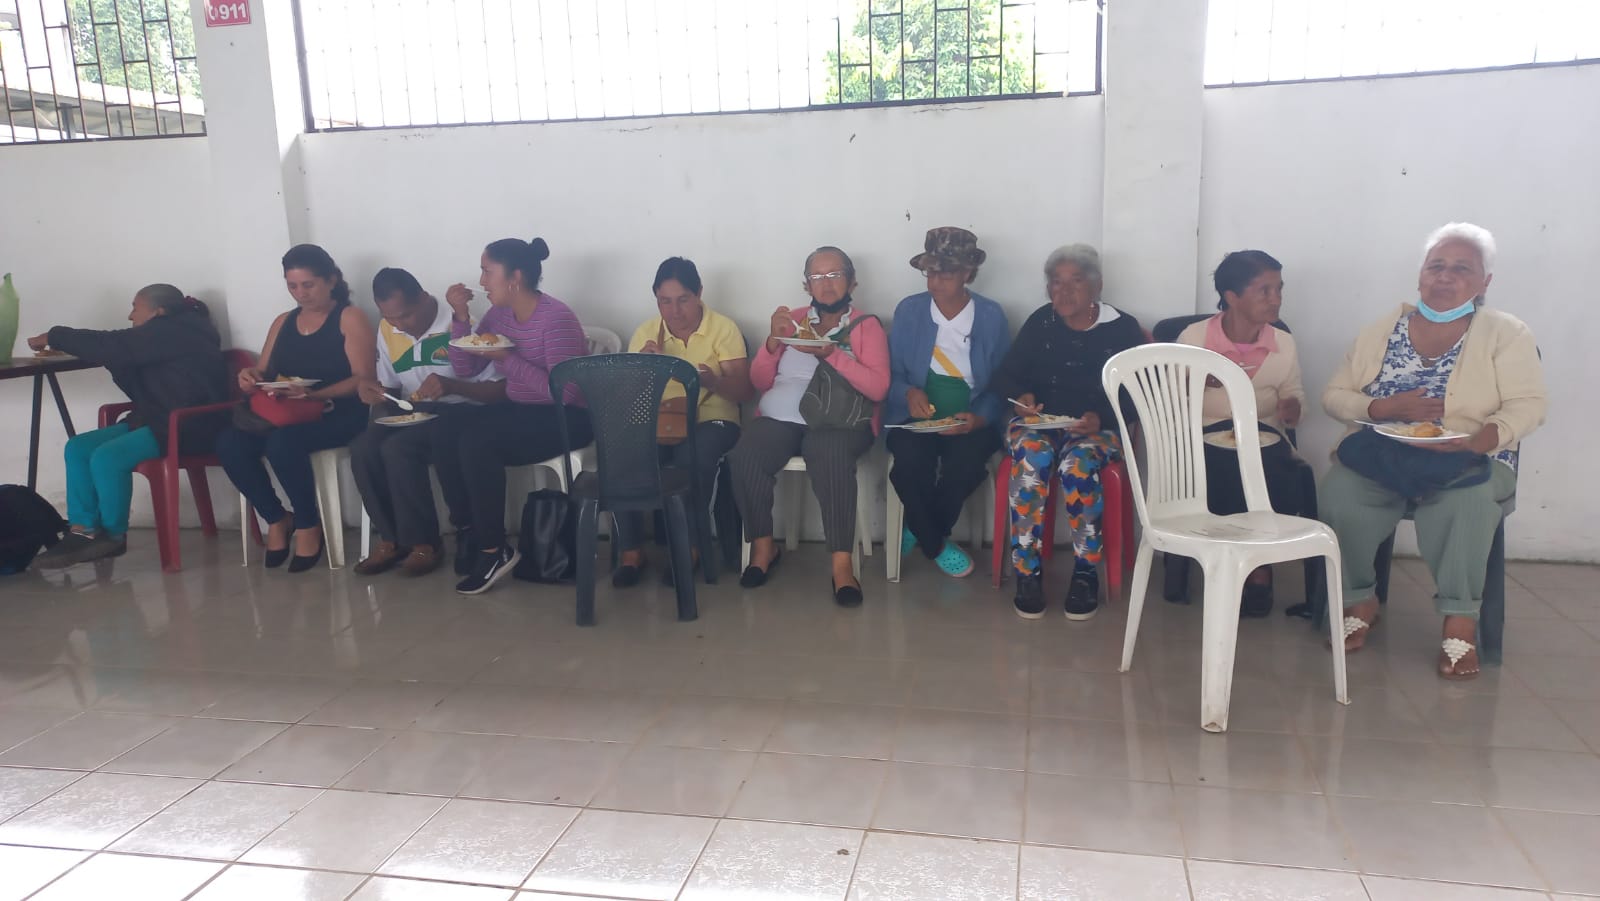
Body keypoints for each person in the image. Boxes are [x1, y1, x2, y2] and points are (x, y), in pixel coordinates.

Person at [1320, 222, 1546, 680]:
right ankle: (1359, 599)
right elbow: (1334, 396)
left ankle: (1460, 619)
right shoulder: (1380, 331)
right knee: (1341, 492)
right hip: (1385, 454)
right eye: (1435, 266)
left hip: (1475, 457)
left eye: (1462, 268)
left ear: (1484, 282)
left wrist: (1483, 438)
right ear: (1420, 276)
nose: (1445, 276)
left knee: (1467, 504)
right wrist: (1381, 408)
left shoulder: (1507, 333)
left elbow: (1529, 404)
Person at [989, 244, 1144, 621]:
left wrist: (1101, 418)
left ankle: (1086, 573)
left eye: (1075, 281)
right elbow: (1005, 377)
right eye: (1056, 283)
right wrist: (1020, 399)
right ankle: (1027, 573)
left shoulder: (1122, 328)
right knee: (1034, 457)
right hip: (1038, 424)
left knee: (1078, 465)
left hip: (1095, 430)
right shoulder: (1041, 322)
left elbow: (1140, 393)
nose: (1063, 291)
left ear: (1097, 285)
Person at [729, 245, 890, 607]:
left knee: (828, 452)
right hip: (780, 419)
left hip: (839, 422)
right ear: (806, 285)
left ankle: (841, 565)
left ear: (852, 282)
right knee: (746, 454)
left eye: (835, 275)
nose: (826, 284)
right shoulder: (794, 320)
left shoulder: (865, 326)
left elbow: (879, 388)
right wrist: (772, 342)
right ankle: (763, 548)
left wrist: (831, 355)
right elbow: (758, 381)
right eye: (817, 277)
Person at [27, 285, 227, 567]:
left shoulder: (173, 331)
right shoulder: (163, 335)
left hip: (188, 426)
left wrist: (54, 336)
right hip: (156, 420)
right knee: (78, 448)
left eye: (135, 307)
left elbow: (112, 344)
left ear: (158, 311)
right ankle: (83, 530)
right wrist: (115, 360)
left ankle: (113, 535)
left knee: (108, 457)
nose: (130, 315)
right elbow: (127, 365)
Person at [437, 236, 592, 595]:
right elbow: (465, 368)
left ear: (515, 277)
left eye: (487, 272)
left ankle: (494, 551)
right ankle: (470, 531)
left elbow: (566, 392)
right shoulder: (499, 315)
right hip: (521, 409)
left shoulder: (556, 319)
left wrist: (508, 360)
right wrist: (460, 319)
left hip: (567, 418)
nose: (481, 281)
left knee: (478, 442)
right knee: (445, 429)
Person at [1172, 250, 1314, 617]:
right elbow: (1169, 395)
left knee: (1275, 468)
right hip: (1205, 435)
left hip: (1264, 436)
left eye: (1279, 289)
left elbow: (1294, 394)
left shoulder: (1283, 343)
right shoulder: (1195, 337)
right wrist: (1198, 382)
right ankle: (1230, 560)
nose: (1275, 299)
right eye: (1264, 290)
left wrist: (1293, 409)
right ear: (1232, 297)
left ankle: (1257, 566)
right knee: (1223, 467)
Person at [217, 245, 375, 573]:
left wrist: (315, 395)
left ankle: (307, 523)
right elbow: (264, 370)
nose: (300, 293)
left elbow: (363, 378)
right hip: (288, 412)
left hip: (339, 412)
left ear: (331, 280)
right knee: (229, 443)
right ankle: (276, 517)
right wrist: (250, 377)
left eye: (308, 285)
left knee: (283, 443)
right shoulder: (284, 321)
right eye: (292, 286)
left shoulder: (349, 317)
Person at [350, 268, 505, 578]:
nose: (399, 325)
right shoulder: (388, 328)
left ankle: (424, 543)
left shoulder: (463, 324)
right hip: (416, 410)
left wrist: (453, 386)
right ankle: (392, 539)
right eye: (390, 317)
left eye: (405, 315)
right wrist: (375, 392)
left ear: (423, 299)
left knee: (398, 449)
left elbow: (500, 391)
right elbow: (391, 386)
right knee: (363, 446)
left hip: (463, 412)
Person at [613, 257, 755, 588]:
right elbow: (626, 400)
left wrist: (713, 382)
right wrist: (641, 371)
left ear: (699, 293)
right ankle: (631, 552)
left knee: (691, 458)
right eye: (665, 301)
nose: (675, 311)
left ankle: (688, 548)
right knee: (624, 455)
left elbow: (745, 392)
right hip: (660, 421)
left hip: (714, 418)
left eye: (683, 300)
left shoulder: (723, 329)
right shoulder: (647, 333)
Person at [885, 227, 1011, 578]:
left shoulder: (990, 316)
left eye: (947, 274)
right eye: (930, 273)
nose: (936, 282)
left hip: (970, 419)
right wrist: (908, 393)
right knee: (909, 463)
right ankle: (936, 543)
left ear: (968, 273)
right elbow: (891, 373)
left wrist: (979, 418)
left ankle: (921, 529)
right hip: (914, 420)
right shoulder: (910, 310)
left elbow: (1003, 381)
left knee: (966, 466)